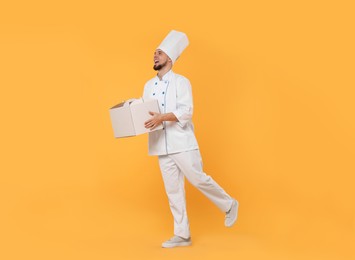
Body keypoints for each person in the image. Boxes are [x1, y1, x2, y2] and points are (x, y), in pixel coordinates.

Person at [143, 30, 239, 248]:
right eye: (154, 53)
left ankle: (229, 204)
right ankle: (182, 234)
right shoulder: (148, 86)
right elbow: (144, 111)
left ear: (169, 57)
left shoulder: (182, 82)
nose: (155, 56)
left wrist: (161, 118)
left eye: (159, 53)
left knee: (198, 178)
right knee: (173, 190)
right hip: (160, 144)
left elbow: (186, 111)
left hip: (181, 142)